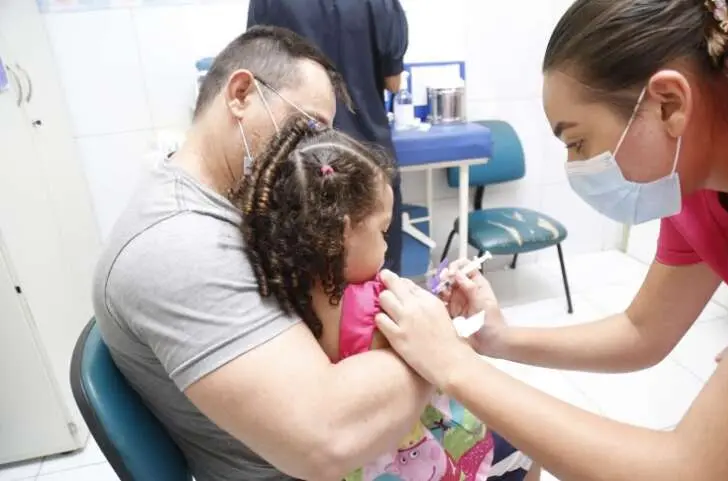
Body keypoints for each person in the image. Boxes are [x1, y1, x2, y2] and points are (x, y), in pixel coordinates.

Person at [363, 1, 728, 480]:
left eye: (577, 142)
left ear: (670, 104)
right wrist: (501, 338)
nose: (576, 166)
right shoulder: (691, 179)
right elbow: (644, 331)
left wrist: (453, 366)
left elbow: (697, 469)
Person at [93, 26, 434, 481]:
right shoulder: (177, 246)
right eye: (311, 125)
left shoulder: (239, 208)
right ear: (241, 94)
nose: (315, 149)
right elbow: (328, 438)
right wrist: (442, 350)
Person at [231, 115, 538, 481]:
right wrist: (446, 312)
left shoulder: (281, 290)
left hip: (359, 464)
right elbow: (428, 342)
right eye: (382, 230)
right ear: (341, 234)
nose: (386, 246)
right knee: (523, 447)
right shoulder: (371, 303)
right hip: (408, 452)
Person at [247, 0, 408, 274]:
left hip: (301, 166)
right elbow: (394, 82)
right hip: (366, 161)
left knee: (307, 283)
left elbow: (261, 77)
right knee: (378, 284)